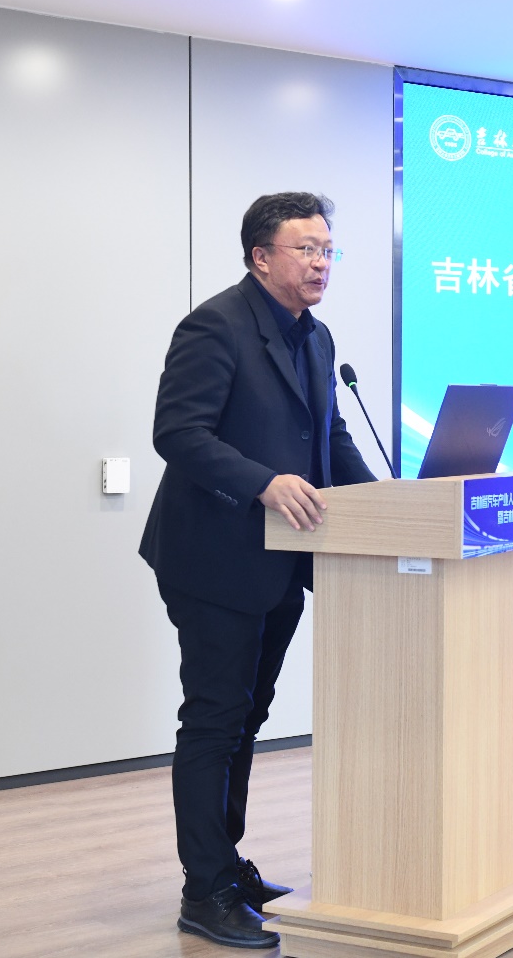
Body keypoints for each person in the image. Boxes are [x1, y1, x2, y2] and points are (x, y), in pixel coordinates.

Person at [138, 192, 377, 949]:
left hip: (280, 561)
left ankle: (226, 864)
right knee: (215, 717)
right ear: (261, 256)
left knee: (248, 716)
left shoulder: (316, 337)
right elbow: (178, 433)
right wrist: (261, 482)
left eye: (328, 250)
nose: (321, 263)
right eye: (306, 249)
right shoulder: (216, 325)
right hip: (213, 556)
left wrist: (390, 502)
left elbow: (330, 439)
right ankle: (203, 889)